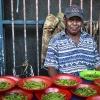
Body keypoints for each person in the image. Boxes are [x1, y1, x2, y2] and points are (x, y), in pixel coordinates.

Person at [44, 5, 100, 77]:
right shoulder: (55, 41)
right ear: (65, 20)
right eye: (71, 20)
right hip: (66, 83)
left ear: (82, 21)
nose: (75, 23)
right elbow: (51, 67)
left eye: (78, 20)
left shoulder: (90, 40)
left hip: (88, 84)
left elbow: (97, 64)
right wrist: (59, 83)